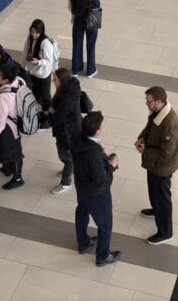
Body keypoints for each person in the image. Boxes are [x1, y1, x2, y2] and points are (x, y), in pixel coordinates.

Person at [72, 111, 120, 266]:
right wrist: (111, 166)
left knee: (82, 211)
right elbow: (102, 182)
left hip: (82, 187)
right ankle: (103, 255)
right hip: (97, 194)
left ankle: (83, 242)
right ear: (97, 130)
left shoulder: (77, 139)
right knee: (105, 224)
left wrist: (102, 157)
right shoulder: (93, 153)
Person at [135, 86, 178, 246]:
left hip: (163, 167)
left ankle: (166, 232)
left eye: (149, 101)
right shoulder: (157, 113)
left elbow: (166, 153)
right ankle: (156, 210)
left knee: (163, 198)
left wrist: (145, 150)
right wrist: (142, 137)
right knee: (153, 189)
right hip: (154, 164)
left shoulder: (170, 123)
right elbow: (150, 127)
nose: (146, 104)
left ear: (159, 102)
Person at [48, 67, 83, 195]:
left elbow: (57, 118)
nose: (53, 81)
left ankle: (66, 182)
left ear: (62, 81)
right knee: (66, 155)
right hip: (70, 129)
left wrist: (49, 111)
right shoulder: (69, 88)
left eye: (55, 79)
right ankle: (69, 169)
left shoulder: (67, 97)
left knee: (67, 157)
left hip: (67, 132)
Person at [70, 0, 102, 77]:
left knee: (77, 43)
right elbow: (97, 4)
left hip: (78, 19)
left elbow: (72, 7)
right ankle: (91, 70)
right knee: (91, 45)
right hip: (92, 18)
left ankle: (76, 69)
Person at [24, 19, 59, 113]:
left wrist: (39, 62)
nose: (33, 35)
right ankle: (39, 113)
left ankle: (52, 114)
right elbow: (25, 52)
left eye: (36, 33)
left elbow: (49, 62)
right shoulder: (30, 38)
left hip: (43, 75)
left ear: (41, 32)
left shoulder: (46, 43)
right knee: (35, 94)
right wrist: (24, 67)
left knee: (46, 97)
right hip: (33, 72)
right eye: (32, 32)